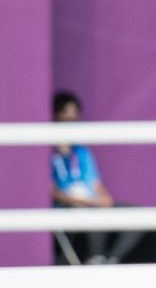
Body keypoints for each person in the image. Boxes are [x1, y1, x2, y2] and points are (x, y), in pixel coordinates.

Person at [50, 91, 144, 265]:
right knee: (94, 212)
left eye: (74, 114)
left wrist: (103, 197)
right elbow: (51, 191)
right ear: (55, 115)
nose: (71, 120)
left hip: (91, 203)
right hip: (68, 207)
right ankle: (96, 257)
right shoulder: (45, 150)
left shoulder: (81, 152)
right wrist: (88, 203)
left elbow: (96, 183)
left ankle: (111, 259)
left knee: (136, 213)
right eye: (66, 114)